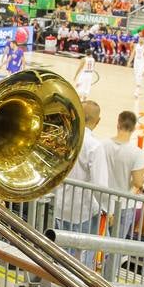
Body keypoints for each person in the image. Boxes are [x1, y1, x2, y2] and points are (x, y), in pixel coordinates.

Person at [53, 100, 109, 265]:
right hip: (81, 211)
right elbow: (100, 185)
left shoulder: (62, 137)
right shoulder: (94, 146)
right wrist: (106, 208)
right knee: (81, 258)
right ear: (97, 121)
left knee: (60, 254)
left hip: (59, 205)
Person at [105, 110, 144, 239]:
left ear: (118, 125)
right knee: (116, 249)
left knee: (97, 245)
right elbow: (138, 183)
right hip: (124, 204)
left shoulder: (102, 145)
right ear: (134, 128)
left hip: (103, 201)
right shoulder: (136, 153)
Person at [130, 35, 144, 105]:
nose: (141, 39)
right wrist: (129, 61)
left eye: (142, 38)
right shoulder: (136, 45)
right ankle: (139, 88)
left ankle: (137, 91)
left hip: (142, 63)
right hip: (136, 62)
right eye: (140, 38)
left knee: (139, 75)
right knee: (136, 76)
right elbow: (132, 54)